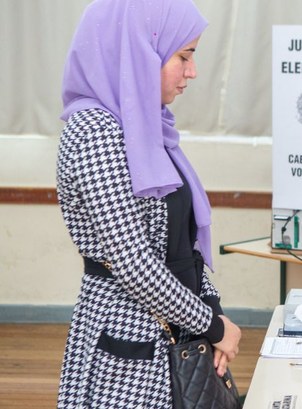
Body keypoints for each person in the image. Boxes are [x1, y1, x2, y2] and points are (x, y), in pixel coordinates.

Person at [55, 1, 241, 407]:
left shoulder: (146, 125)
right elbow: (132, 262)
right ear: (139, 50)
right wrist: (212, 326)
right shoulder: (95, 132)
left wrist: (215, 313)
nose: (192, 71)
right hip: (129, 351)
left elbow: (181, 246)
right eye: (184, 56)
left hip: (177, 333)